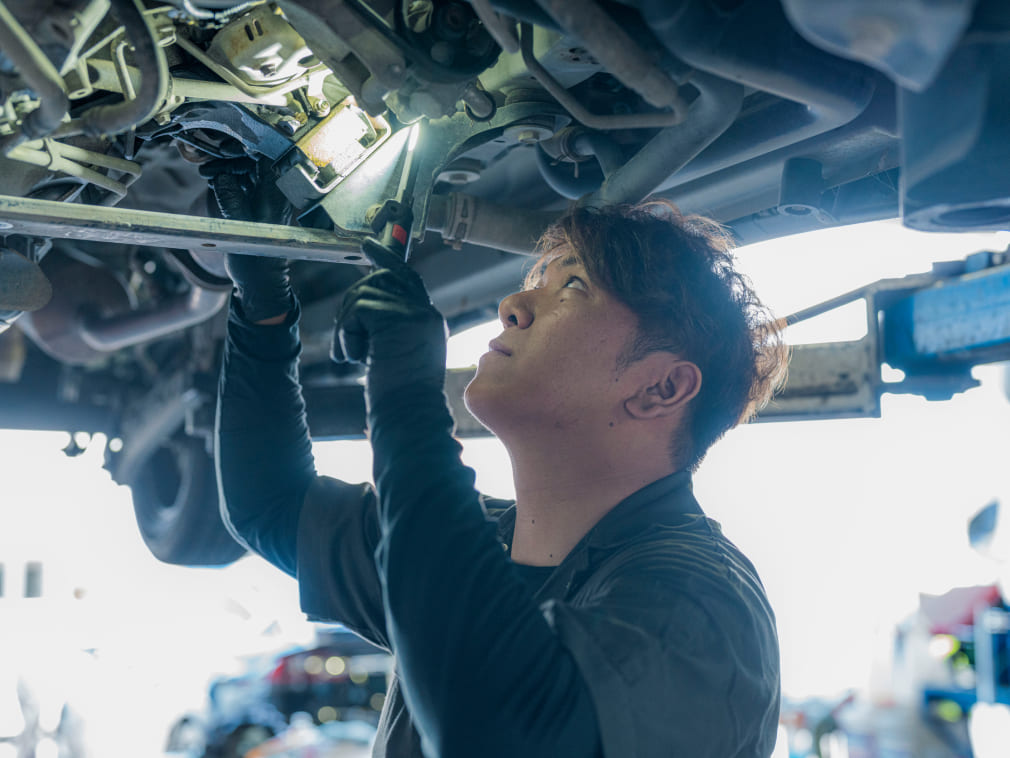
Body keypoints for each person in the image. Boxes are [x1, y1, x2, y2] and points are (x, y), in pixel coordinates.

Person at [210, 156, 787, 758]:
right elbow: (268, 503)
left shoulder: (701, 608)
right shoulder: (473, 545)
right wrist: (261, 299)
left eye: (572, 285)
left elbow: (492, 727)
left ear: (662, 389)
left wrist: (407, 395)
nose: (513, 303)